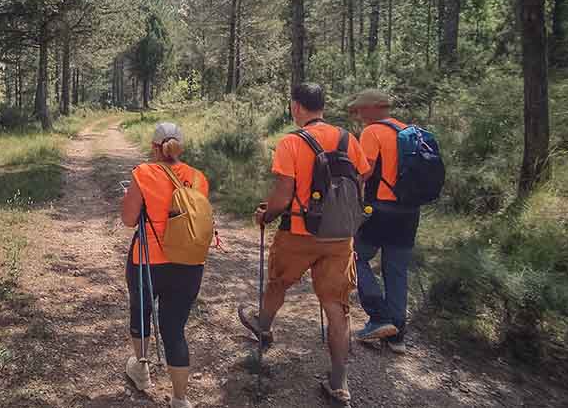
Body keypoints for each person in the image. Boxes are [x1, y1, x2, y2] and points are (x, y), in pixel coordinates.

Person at [236, 83, 370, 407]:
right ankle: (340, 384)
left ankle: (263, 327)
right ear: (322, 106)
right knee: (337, 308)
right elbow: (361, 181)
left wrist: (265, 215)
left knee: (279, 282)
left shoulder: (291, 142)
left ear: (296, 107)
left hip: (298, 231)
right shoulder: (347, 139)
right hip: (339, 236)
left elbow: (282, 197)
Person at [120, 122, 210, 408]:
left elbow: (128, 219)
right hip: (189, 263)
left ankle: (142, 370)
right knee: (174, 329)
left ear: (154, 147)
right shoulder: (199, 178)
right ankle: (181, 399)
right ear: (179, 147)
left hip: (149, 261)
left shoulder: (144, 173)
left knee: (141, 310)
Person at [348, 89, 421, 354]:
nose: (358, 115)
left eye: (360, 110)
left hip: (381, 209)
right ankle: (397, 336)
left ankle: (379, 316)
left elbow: (363, 172)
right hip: (410, 212)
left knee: (354, 255)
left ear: (374, 108)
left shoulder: (373, 132)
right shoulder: (411, 131)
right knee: (397, 271)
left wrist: (349, 201)